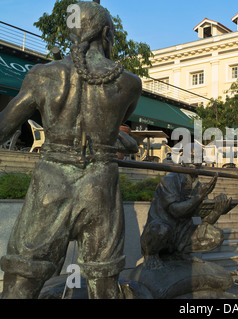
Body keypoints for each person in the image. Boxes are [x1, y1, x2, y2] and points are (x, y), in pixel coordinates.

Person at [0, 2, 142, 299]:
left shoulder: (42, 74)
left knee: (23, 277)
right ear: (106, 34)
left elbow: (4, 128)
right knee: (103, 284)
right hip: (101, 187)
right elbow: (115, 127)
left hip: (51, 184)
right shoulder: (129, 83)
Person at [140, 143, 233, 270]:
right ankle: (151, 255)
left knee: (216, 235)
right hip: (162, 231)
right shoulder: (169, 181)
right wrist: (198, 197)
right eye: (192, 157)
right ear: (183, 159)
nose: (195, 162)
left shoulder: (199, 186)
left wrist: (217, 210)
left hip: (182, 234)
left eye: (199, 158)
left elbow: (203, 221)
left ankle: (182, 253)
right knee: (161, 229)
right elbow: (175, 211)